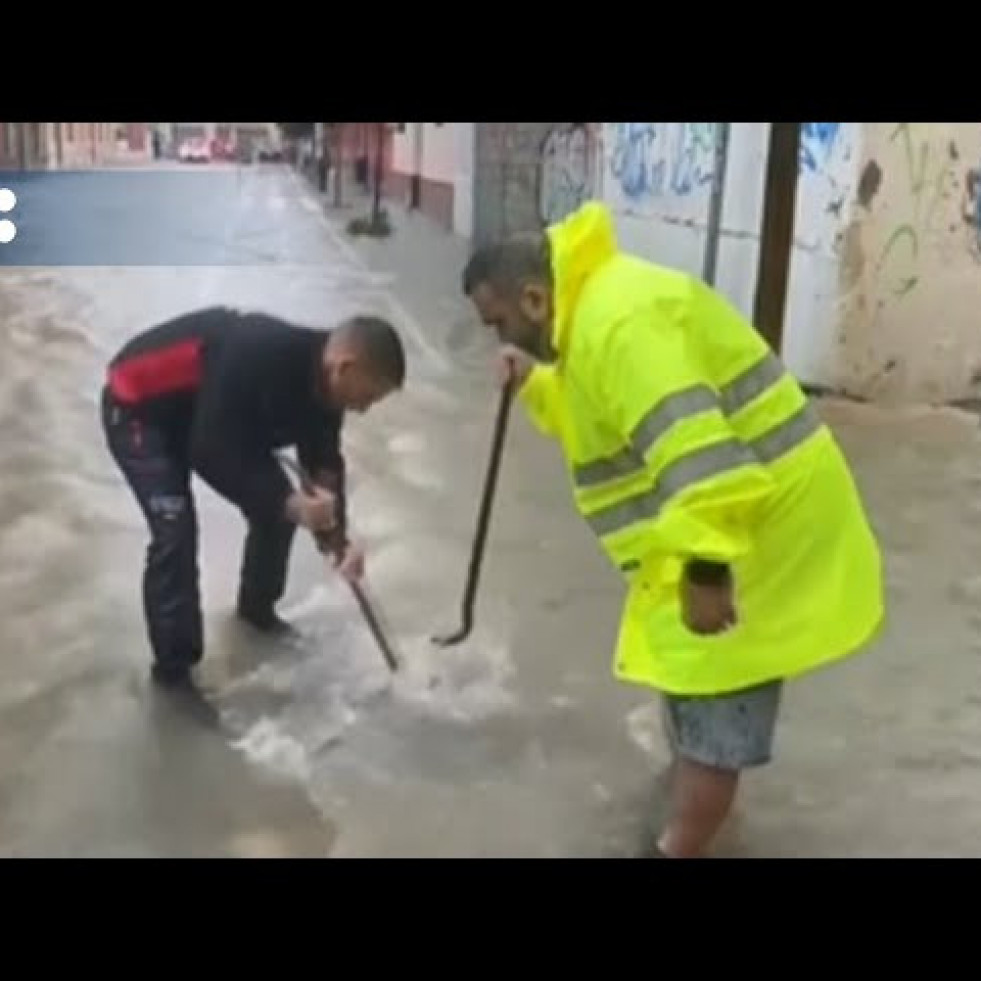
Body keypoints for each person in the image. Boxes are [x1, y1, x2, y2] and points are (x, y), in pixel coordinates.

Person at [461, 201, 885, 859]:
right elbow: (599, 417)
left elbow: (704, 459)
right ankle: (688, 798)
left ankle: (677, 846)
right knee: (689, 678)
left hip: (755, 527)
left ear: (535, 297)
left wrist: (708, 568)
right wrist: (537, 384)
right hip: (728, 518)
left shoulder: (620, 325)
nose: (501, 339)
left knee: (714, 694)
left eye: (500, 324)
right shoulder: (588, 319)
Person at [100, 306, 405, 689]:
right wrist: (292, 504)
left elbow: (324, 467)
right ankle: (174, 674)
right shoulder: (261, 349)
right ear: (345, 366)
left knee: (280, 508)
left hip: (208, 416)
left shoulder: (326, 395)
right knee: (175, 531)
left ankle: (257, 614)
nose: (363, 408)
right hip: (140, 409)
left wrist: (337, 540)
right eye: (368, 396)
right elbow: (208, 450)